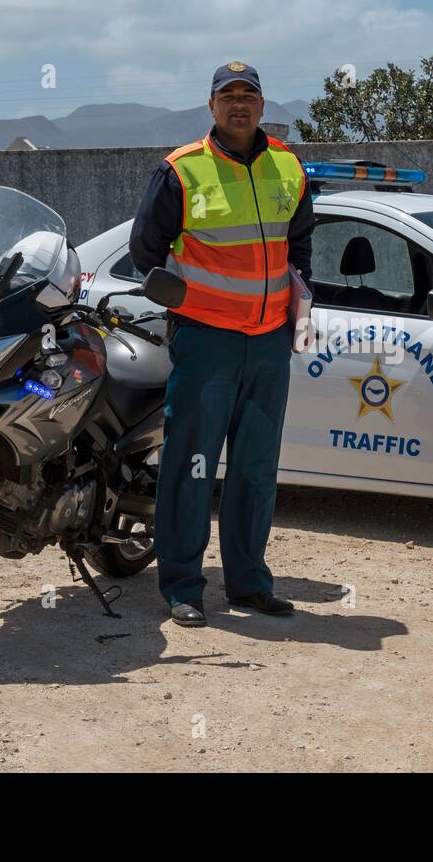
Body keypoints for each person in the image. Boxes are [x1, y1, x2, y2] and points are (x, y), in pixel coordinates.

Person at [129, 61, 314, 627]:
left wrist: (298, 302)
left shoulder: (289, 166)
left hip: (267, 343)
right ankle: (183, 586)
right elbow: (146, 252)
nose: (239, 104)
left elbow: (300, 244)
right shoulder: (180, 171)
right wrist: (183, 304)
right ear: (211, 106)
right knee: (191, 463)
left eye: (248, 95)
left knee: (256, 467)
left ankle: (249, 583)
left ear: (263, 105)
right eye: (227, 96)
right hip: (206, 340)